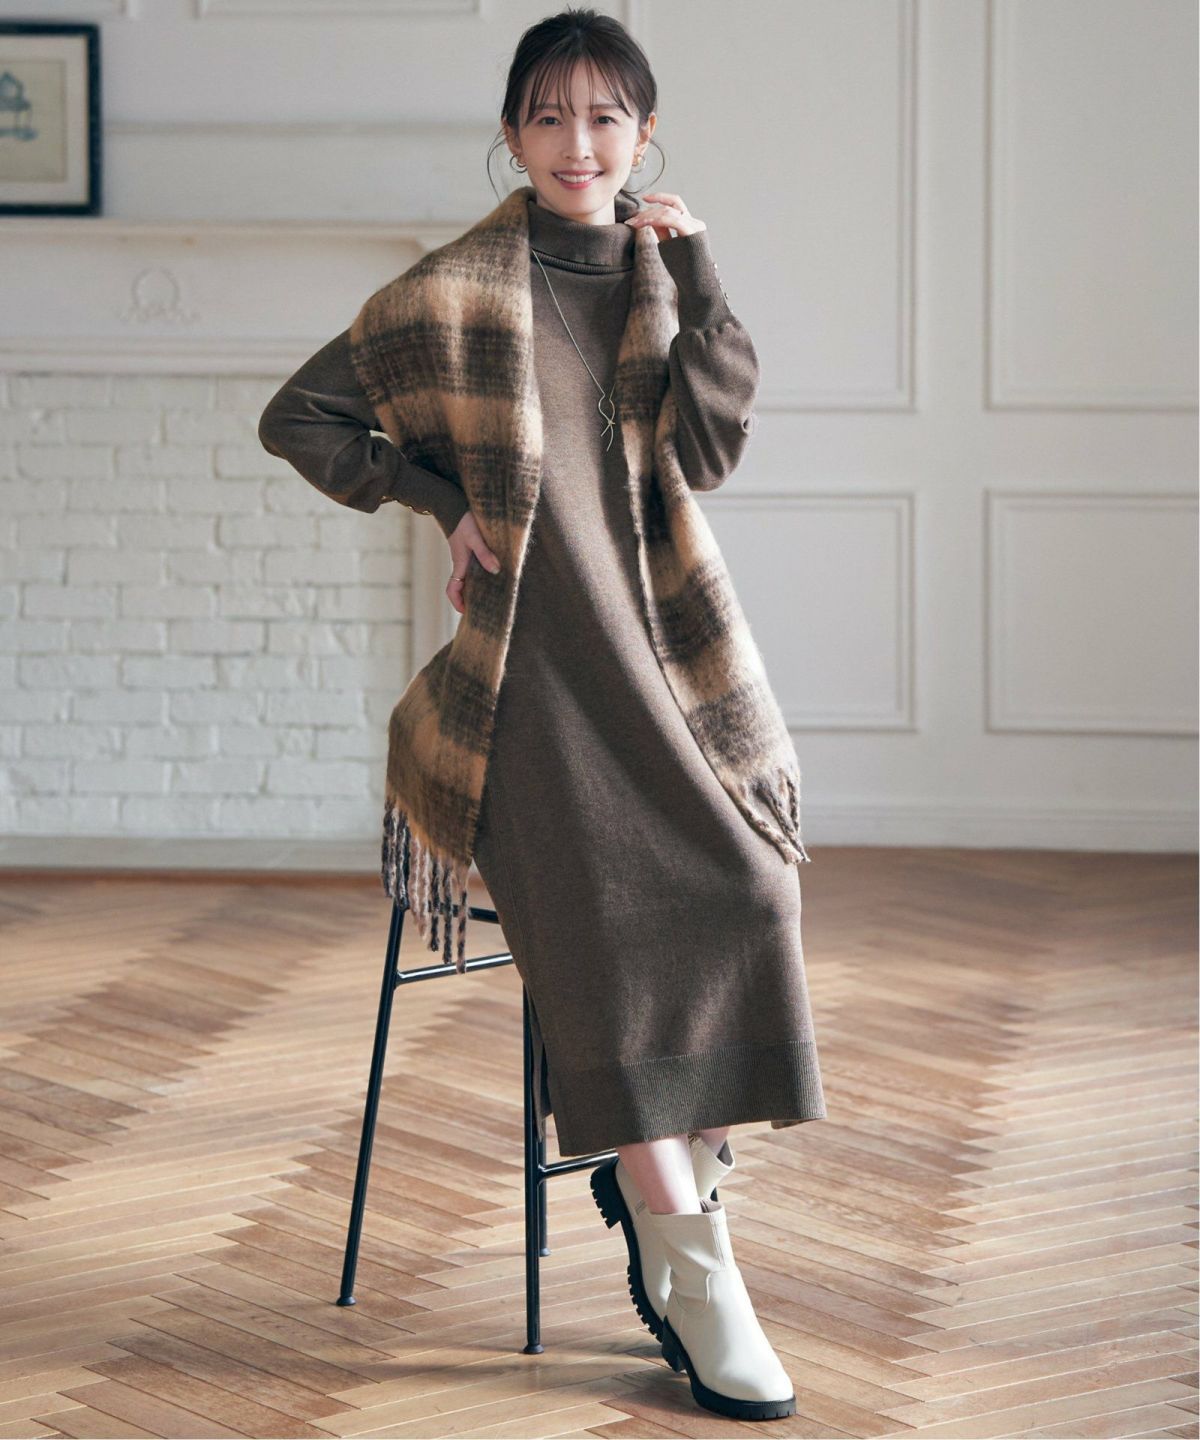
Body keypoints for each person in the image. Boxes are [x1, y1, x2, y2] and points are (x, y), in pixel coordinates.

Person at [258, 6, 826, 1422]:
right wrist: (438, 501)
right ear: (511, 132)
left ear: (645, 135)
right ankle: (695, 1269)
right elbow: (300, 418)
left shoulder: (658, 277)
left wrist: (698, 268)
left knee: (753, 890)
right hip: (522, 699)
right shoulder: (452, 288)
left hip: (664, 670)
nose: (580, 144)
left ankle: (670, 1188)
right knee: (607, 930)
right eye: (551, 116)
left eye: (606, 117)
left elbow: (710, 445)